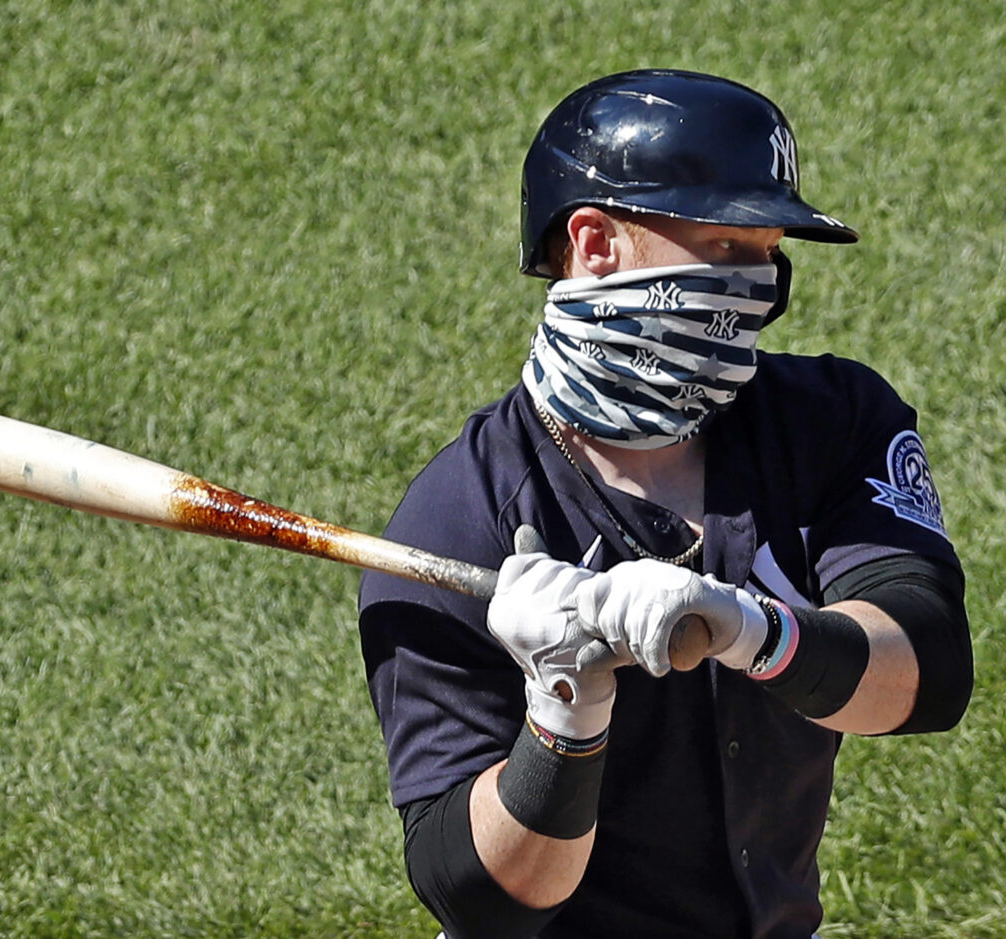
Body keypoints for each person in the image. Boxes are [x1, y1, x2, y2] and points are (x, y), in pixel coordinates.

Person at [356, 69, 973, 939]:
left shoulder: (834, 420)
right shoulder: (458, 519)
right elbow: (477, 897)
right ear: (596, 244)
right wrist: (565, 706)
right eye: (726, 249)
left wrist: (753, 630)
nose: (759, 286)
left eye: (769, 253)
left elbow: (930, 671)